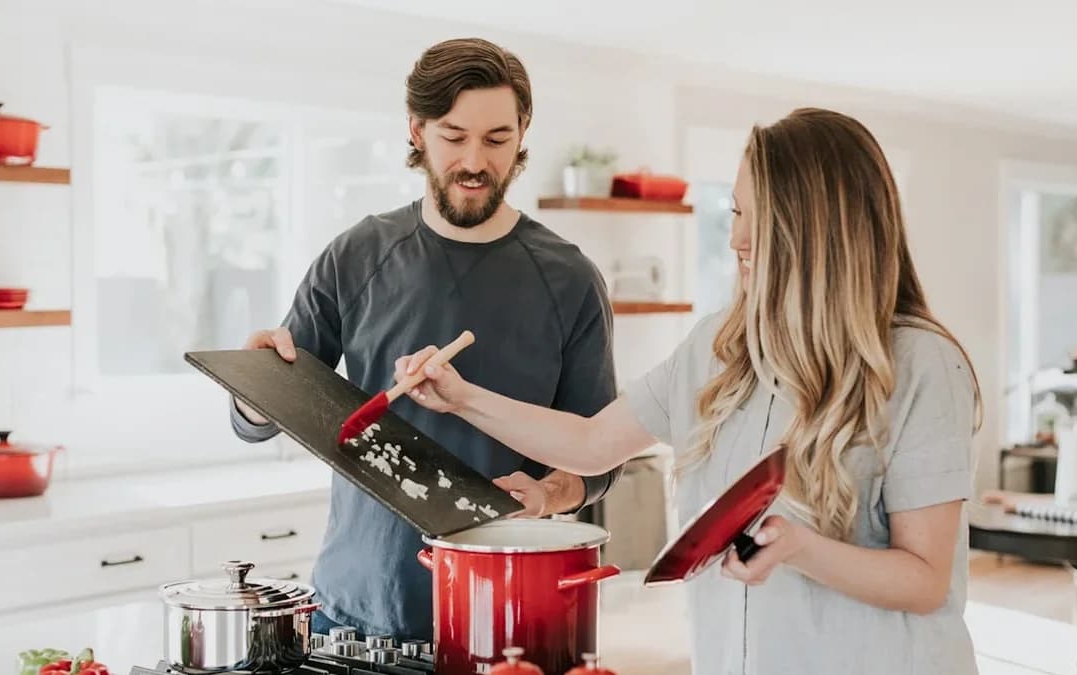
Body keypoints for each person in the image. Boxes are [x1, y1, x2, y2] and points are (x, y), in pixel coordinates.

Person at [394, 108, 984, 675]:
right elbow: (594, 442)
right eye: (734, 212)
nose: (737, 239)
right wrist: (461, 397)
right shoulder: (718, 348)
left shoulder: (919, 365)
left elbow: (926, 579)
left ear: (819, 229)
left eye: (759, 217)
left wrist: (799, 547)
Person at [228, 37, 622, 642]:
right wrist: (254, 389)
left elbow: (599, 459)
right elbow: (265, 414)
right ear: (417, 130)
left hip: (505, 614)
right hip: (353, 611)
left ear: (522, 134)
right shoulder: (355, 255)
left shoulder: (569, 279)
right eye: (454, 136)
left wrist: (548, 493)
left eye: (496, 139)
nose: (474, 161)